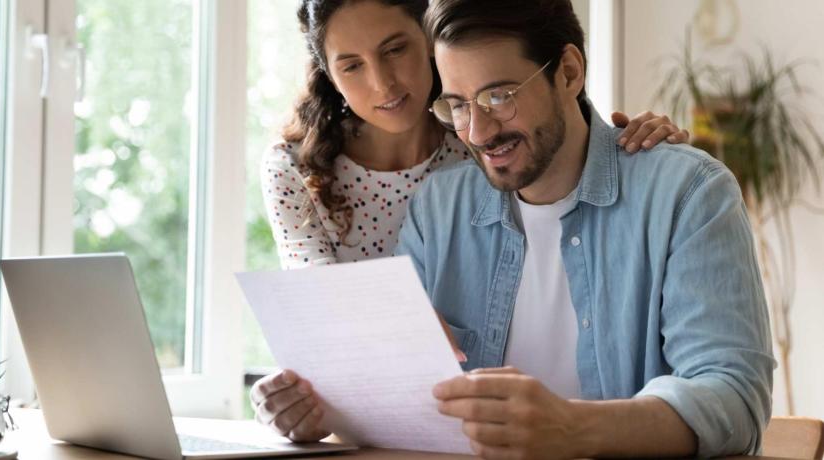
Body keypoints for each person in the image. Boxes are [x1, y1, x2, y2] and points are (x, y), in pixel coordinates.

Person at [251, 0, 693, 448]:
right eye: (351, 66)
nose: (382, 83)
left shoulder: (477, 148)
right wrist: (299, 397)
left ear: (427, 43)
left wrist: (632, 147)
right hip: (383, 397)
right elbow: (319, 325)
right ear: (328, 74)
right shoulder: (301, 169)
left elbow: (555, 123)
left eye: (395, 50)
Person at [387, 0, 771, 458]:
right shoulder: (437, 211)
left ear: (569, 72)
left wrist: (572, 428)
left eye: (499, 96)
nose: (477, 132)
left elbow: (733, 399)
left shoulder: (686, 194)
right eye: (458, 105)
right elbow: (390, 389)